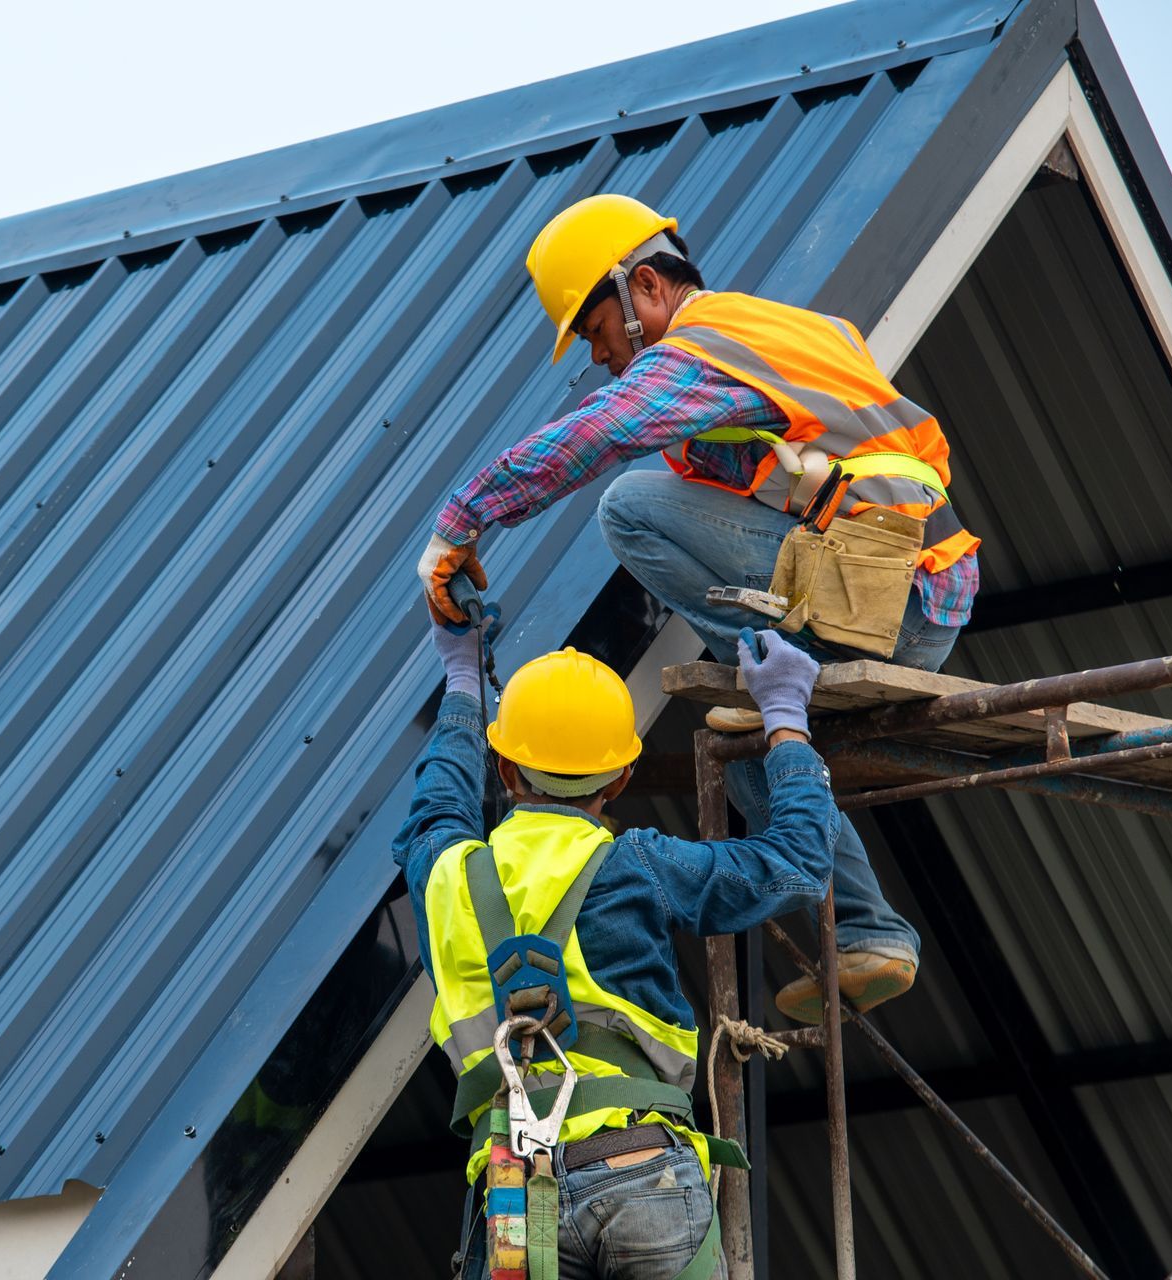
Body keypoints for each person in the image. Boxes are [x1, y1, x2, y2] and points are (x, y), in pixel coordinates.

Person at [416, 193, 981, 1021]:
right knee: (749, 740)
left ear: (645, 287)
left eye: (600, 333)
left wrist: (459, 523)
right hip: (921, 601)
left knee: (630, 506)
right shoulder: (797, 333)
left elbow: (597, 435)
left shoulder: (702, 351)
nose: (604, 359)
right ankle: (869, 931)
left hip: (884, 589)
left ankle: (765, 669)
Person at [392, 614, 837, 1279]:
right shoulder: (639, 867)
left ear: (504, 765)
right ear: (621, 778)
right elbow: (799, 860)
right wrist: (785, 718)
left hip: (516, 1196)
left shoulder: (444, 874)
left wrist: (462, 675)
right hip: (641, 1168)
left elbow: (437, 804)